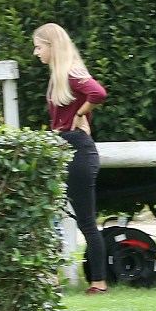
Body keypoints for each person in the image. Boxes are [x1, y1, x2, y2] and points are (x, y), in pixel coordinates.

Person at [32, 23, 110, 294]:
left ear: (52, 46)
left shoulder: (71, 72)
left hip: (77, 150)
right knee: (49, 216)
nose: (36, 52)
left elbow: (98, 93)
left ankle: (98, 283)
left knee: (85, 220)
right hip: (64, 148)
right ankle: (52, 279)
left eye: (39, 47)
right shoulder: (60, 76)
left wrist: (80, 114)